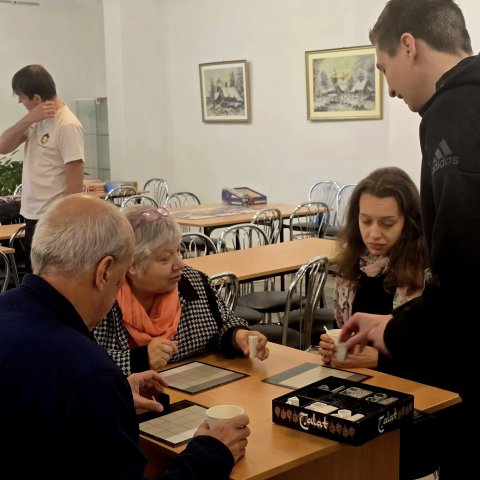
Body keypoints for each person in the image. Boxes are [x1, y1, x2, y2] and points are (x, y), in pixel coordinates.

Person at [0, 194, 250, 479]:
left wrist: (114, 396)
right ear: (104, 272)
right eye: (120, 282)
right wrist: (212, 452)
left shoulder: (8, 310)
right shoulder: (86, 373)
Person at [341, 1, 478, 478]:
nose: (390, 89)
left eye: (384, 69)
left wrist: (395, 332)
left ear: (408, 46)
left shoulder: (455, 113)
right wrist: (393, 325)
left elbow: (463, 276)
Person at [94, 204, 269, 376]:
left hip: (197, 385)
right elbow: (85, 361)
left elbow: (223, 323)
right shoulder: (102, 299)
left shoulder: (192, 283)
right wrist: (139, 359)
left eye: (178, 251)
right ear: (132, 265)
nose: (180, 264)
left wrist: (238, 336)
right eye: (165, 259)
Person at [319, 166, 427, 373]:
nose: (373, 233)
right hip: (355, 380)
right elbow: (342, 329)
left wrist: (379, 360)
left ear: (409, 223)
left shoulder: (424, 271)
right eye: (366, 221)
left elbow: (437, 355)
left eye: (387, 224)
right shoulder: (353, 264)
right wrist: (334, 348)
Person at [0, 64, 84, 269]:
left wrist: (62, 223)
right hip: (33, 215)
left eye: (22, 97)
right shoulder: (36, 121)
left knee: (52, 277)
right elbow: (3, 146)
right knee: (36, 276)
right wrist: (27, 119)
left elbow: (74, 185)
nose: (20, 101)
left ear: (36, 98)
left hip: (53, 219)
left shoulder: (67, 124)